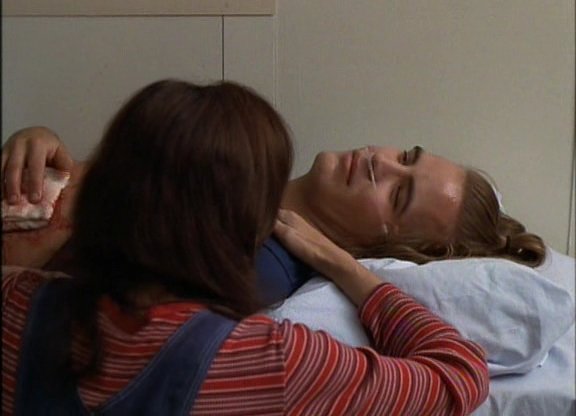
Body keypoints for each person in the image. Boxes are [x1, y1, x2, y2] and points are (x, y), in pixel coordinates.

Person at [2, 79, 488, 415]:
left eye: (399, 195)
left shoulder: (265, 329)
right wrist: (43, 153)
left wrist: (342, 264)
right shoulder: (217, 153)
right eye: (406, 156)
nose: (382, 164)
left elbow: (456, 375)